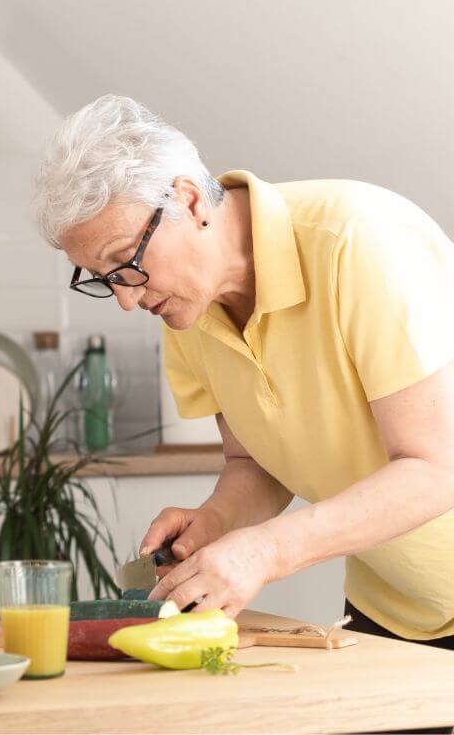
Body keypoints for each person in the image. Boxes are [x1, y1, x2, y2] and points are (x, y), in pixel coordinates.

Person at [35, 94, 454, 650]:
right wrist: (215, 520)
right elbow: (255, 459)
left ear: (186, 199)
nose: (126, 300)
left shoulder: (358, 243)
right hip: (395, 608)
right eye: (100, 277)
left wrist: (265, 551)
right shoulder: (186, 305)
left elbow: (437, 466)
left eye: (125, 263)